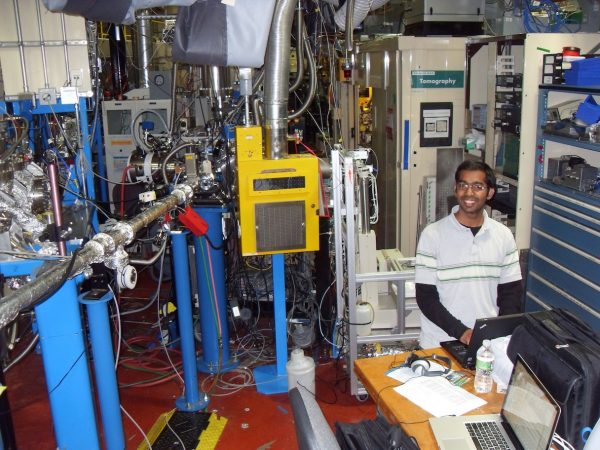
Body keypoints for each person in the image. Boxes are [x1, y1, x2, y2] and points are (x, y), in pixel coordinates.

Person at [415, 160, 523, 349]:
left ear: (489, 193)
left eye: (478, 186)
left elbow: (511, 295)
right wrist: (462, 333)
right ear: (456, 189)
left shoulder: (503, 236)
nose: (469, 193)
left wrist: (497, 335)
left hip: (487, 344)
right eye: (463, 185)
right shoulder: (432, 235)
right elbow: (426, 298)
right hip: (438, 343)